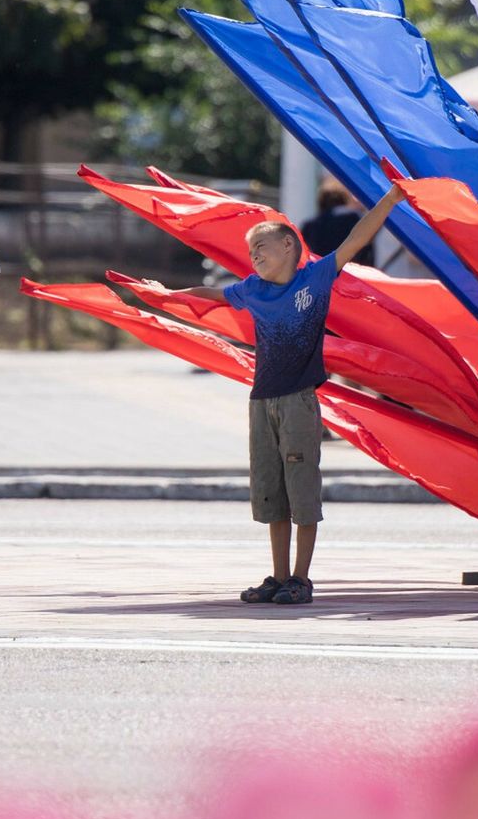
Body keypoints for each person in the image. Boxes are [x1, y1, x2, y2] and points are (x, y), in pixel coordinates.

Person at [170, 185, 405, 606]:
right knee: (270, 492)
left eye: (261, 246)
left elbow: (356, 239)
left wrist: (388, 200)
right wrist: (170, 294)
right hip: (261, 403)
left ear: (288, 245)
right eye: (251, 251)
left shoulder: (314, 280)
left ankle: (301, 578)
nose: (255, 255)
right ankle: (277, 577)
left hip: (298, 401)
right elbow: (215, 296)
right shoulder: (251, 290)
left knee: (301, 491)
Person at [299, 178, 372, 268]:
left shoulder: (309, 225)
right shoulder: (354, 218)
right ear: (343, 198)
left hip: (321, 272)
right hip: (351, 270)